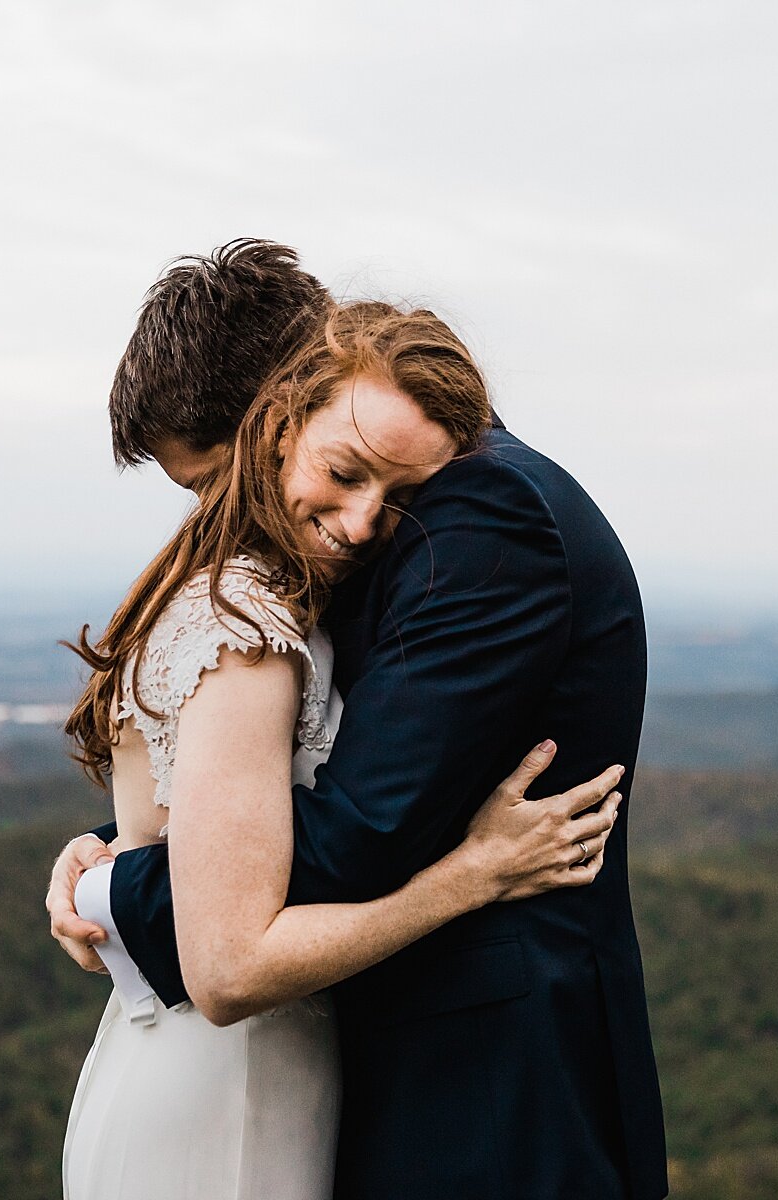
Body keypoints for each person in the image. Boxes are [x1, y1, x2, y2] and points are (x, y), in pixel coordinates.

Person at [47, 239, 668, 1199]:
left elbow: (361, 829)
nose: (215, 519)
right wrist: (117, 838)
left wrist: (119, 895)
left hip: (491, 1094)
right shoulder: (389, 506)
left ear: (287, 404)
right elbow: (288, 771)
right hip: (370, 1063)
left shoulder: (478, 509)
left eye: (214, 480)